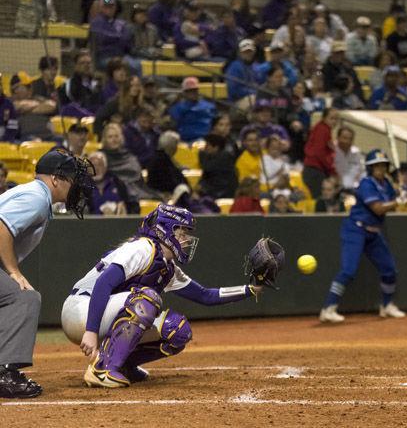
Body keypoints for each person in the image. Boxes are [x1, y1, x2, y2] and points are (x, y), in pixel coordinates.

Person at [60, 204, 269, 387]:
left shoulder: (167, 267)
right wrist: (90, 331)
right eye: (183, 233)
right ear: (166, 230)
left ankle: (123, 365)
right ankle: (103, 369)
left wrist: (251, 289)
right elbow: (104, 283)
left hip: (103, 313)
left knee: (177, 330)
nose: (187, 240)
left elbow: (206, 296)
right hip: (80, 310)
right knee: (148, 298)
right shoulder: (142, 248)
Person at [0, 149, 93, 398]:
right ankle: (5, 373)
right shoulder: (36, 198)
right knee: (22, 298)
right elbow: (1, 226)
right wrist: (13, 271)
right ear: (55, 179)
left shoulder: (32, 194)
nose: (76, 187)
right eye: (73, 179)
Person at [319, 149, 407, 323]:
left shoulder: (386, 184)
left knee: (389, 270)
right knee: (348, 271)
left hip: (373, 232)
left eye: (383, 166)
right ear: (370, 168)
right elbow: (378, 208)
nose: (380, 169)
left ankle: (387, 305)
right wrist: (398, 201)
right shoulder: (366, 184)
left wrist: (401, 191)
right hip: (356, 229)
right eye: (376, 166)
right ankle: (328, 308)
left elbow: (392, 202)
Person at [89, 0, 135, 73]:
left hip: (121, 56)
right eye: (106, 7)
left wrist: (114, 38)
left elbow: (126, 40)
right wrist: (118, 37)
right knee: (127, 65)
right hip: (104, 57)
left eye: (111, 7)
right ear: (101, 8)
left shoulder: (120, 23)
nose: (109, 9)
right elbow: (102, 38)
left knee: (137, 64)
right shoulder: (96, 22)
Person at [85, 151, 137, 215]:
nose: (96, 169)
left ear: (105, 167)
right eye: (92, 166)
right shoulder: (82, 188)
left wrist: (125, 208)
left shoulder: (118, 183)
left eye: (100, 165)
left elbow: (133, 207)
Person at [302, 108, 338, 198]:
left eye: (336, 119)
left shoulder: (323, 129)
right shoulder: (322, 130)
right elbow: (319, 152)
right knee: (320, 199)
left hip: (316, 169)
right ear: (324, 118)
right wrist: (331, 170)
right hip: (314, 171)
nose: (334, 121)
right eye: (331, 118)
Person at [168, 77, 216, 142]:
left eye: (194, 90)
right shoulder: (178, 107)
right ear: (184, 92)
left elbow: (215, 123)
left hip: (206, 140)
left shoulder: (209, 106)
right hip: (185, 140)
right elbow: (173, 126)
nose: (192, 93)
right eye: (189, 91)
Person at [198, 132, 238, 199]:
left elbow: (208, 168)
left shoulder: (224, 157)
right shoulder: (212, 157)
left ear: (216, 147)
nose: (205, 148)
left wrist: (202, 155)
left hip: (223, 193)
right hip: (215, 192)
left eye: (207, 145)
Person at [225, 39, 261, 107]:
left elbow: (260, 83)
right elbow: (234, 90)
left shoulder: (256, 66)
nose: (248, 54)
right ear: (240, 53)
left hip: (255, 96)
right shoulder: (234, 67)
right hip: (237, 102)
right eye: (245, 52)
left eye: (250, 51)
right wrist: (254, 92)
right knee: (256, 101)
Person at [334, 127, 364, 192]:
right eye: (344, 138)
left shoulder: (356, 152)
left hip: (354, 189)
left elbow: (362, 172)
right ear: (338, 138)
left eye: (350, 139)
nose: (347, 141)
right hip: (336, 189)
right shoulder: (331, 151)